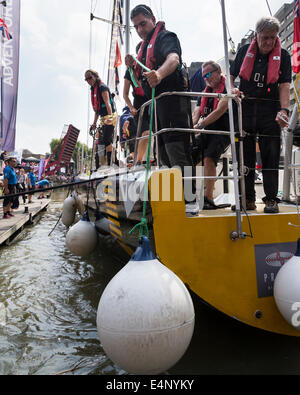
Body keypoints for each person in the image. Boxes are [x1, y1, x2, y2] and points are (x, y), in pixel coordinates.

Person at [125, 4, 197, 213]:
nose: (139, 29)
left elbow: (173, 59)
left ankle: (190, 202)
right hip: (157, 107)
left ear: (152, 19)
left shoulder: (166, 37)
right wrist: (132, 64)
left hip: (173, 103)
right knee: (164, 155)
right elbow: (139, 80)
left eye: (142, 24)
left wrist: (159, 74)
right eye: (136, 27)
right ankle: (173, 201)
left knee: (177, 152)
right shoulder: (142, 48)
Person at [230, 16, 291, 213]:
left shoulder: (283, 55)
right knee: (244, 157)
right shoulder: (243, 51)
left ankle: (271, 199)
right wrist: (231, 89)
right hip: (245, 108)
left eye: (272, 38)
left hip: (270, 110)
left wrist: (283, 110)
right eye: (264, 37)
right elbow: (230, 77)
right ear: (256, 36)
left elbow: (284, 86)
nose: (268, 42)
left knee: (271, 155)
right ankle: (247, 198)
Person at [192, 61, 231, 209]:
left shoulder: (228, 88)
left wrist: (200, 125)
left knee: (209, 158)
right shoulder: (204, 93)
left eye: (208, 74)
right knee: (189, 154)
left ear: (218, 71)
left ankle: (208, 199)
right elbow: (196, 114)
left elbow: (220, 110)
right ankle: (190, 195)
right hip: (207, 130)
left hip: (223, 131)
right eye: (204, 76)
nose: (206, 78)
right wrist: (189, 129)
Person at [123, 41, 150, 165]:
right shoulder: (130, 71)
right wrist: (131, 107)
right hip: (139, 103)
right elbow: (125, 94)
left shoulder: (152, 65)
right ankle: (138, 161)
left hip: (153, 99)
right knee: (145, 132)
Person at [85, 69, 117, 167]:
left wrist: (111, 117)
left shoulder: (102, 88)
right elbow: (97, 110)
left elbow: (107, 104)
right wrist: (94, 123)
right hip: (103, 118)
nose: (88, 80)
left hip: (110, 115)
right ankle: (109, 163)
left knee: (107, 139)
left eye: (90, 78)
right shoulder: (94, 89)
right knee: (102, 141)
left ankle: (111, 164)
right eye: (86, 79)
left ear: (95, 77)